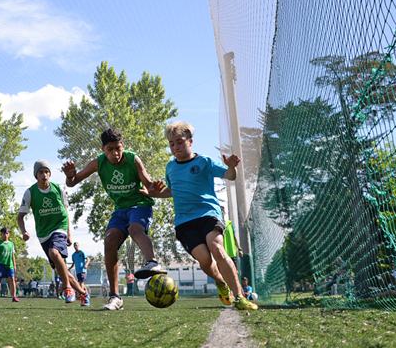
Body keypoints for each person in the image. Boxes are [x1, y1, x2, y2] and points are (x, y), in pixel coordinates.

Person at [147, 121, 258, 311]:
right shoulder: (170, 167)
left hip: (208, 214)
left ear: (190, 141)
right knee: (205, 260)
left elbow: (230, 176)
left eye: (179, 142)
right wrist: (155, 193)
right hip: (184, 222)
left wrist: (232, 167)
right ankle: (221, 282)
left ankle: (240, 297)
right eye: (172, 144)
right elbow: (172, 191)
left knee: (217, 249)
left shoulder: (204, 162)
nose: (175, 147)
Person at [62, 128, 163, 311]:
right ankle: (115, 297)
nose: (115, 153)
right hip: (120, 210)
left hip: (139, 204)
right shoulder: (98, 163)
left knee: (134, 229)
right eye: (110, 149)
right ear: (103, 149)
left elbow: (148, 184)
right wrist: (70, 175)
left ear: (122, 145)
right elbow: (72, 182)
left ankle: (152, 262)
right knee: (109, 241)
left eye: (118, 148)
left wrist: (154, 187)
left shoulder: (133, 159)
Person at [18, 160, 88, 306]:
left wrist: (69, 233)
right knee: (63, 271)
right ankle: (83, 293)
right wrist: (24, 231)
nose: (44, 175)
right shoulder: (30, 192)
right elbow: (20, 217)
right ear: (36, 175)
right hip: (43, 234)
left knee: (54, 252)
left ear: (50, 174)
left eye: (46, 172)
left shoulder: (59, 188)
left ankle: (68, 289)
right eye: (41, 172)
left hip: (59, 227)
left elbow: (66, 211)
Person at [0, 227, 19, 302]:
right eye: (3, 233)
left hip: (9, 265)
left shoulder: (11, 244)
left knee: (12, 279)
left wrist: (14, 265)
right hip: (1, 265)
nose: (5, 235)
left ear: (9, 234)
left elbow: (12, 255)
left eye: (6, 233)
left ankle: (14, 296)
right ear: (1, 234)